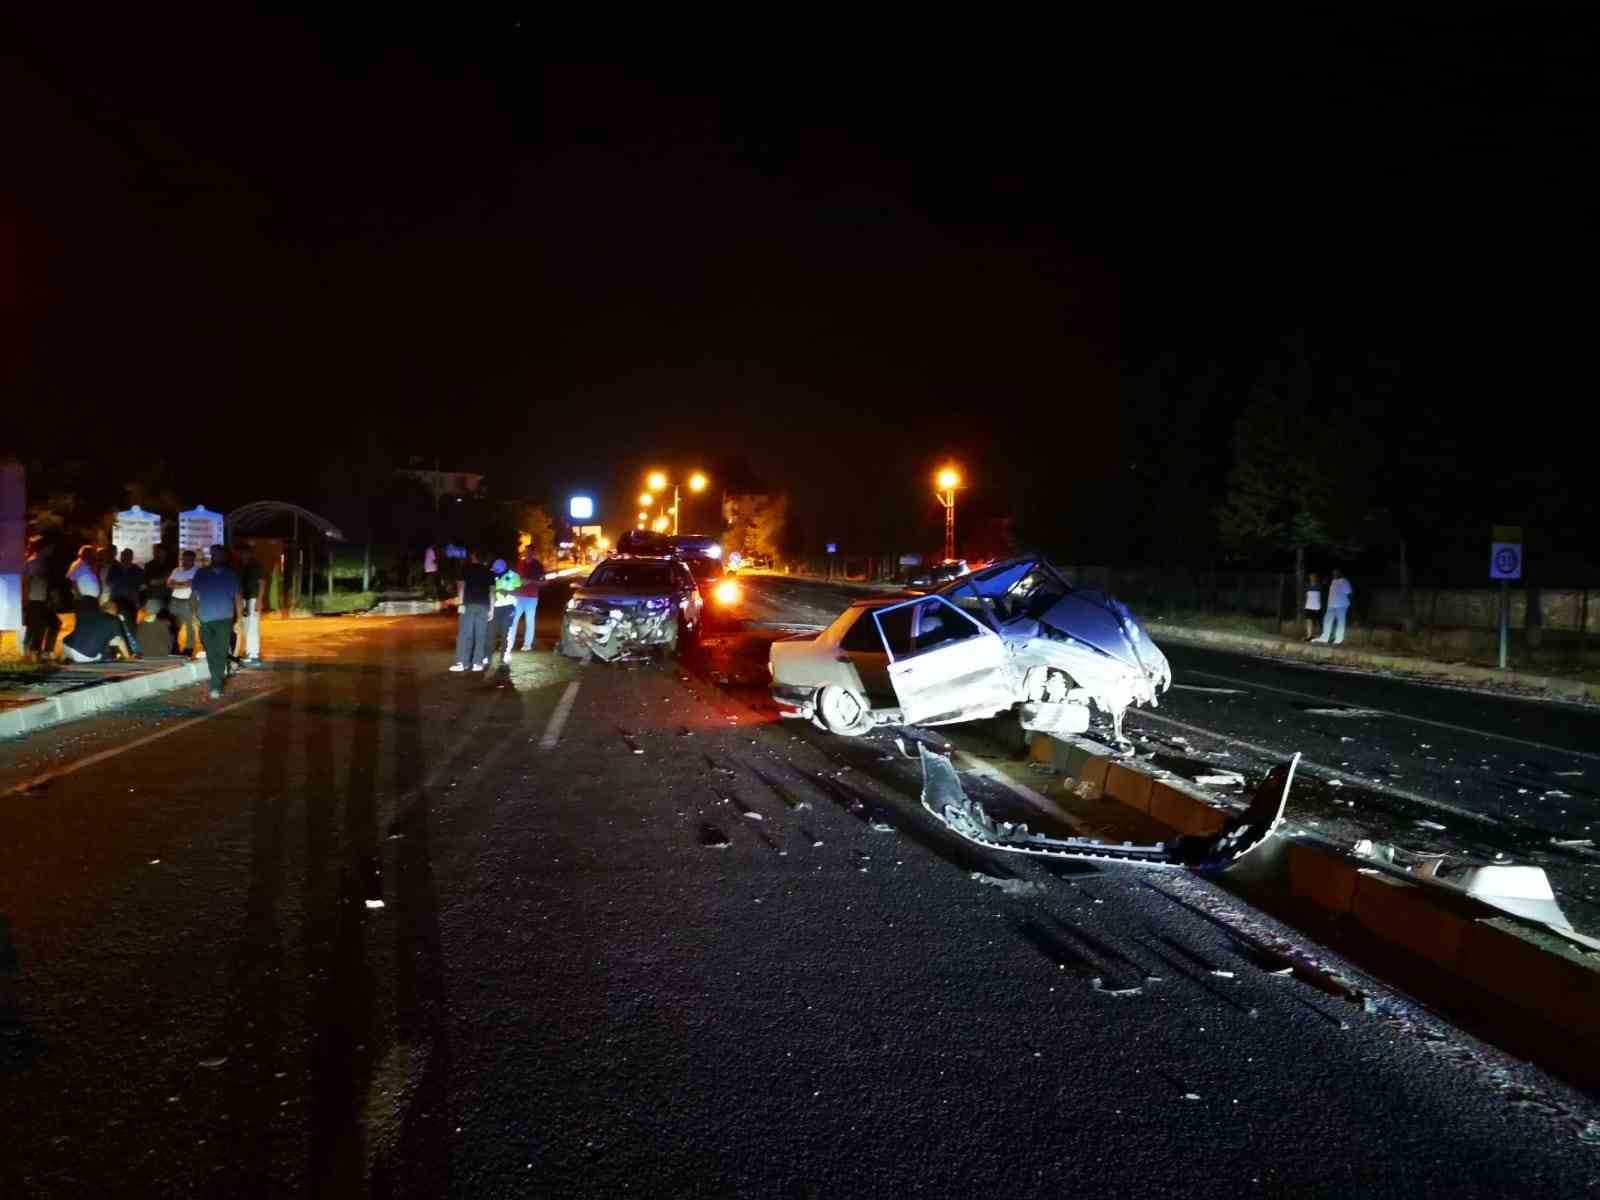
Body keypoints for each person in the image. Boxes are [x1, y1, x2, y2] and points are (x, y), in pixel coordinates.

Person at [191, 544, 242, 699]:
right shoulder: (201, 573)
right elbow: (194, 596)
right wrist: (193, 615)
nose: (217, 557)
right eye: (214, 554)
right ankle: (219, 673)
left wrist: (239, 620)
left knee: (219, 652)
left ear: (224, 557)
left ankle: (215, 684)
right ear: (211, 556)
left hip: (224, 619)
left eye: (220, 555)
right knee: (211, 652)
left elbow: (238, 598)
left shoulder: (231, 575)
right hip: (205, 619)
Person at [451, 550, 493, 672]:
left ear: (473, 557)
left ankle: (462, 663)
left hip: (468, 604)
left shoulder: (465, 569)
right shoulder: (488, 571)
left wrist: (460, 602)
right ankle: (477, 664)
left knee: (465, 634)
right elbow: (492, 591)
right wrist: (492, 610)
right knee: (480, 634)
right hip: (484, 606)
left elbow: (461, 586)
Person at [58, 595, 133, 663]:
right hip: (85, 657)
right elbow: (120, 642)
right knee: (112, 642)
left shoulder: (88, 612)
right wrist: (128, 658)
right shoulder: (113, 620)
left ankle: (60, 662)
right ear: (115, 611)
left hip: (66, 647)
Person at [22, 537, 60, 661]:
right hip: (35, 599)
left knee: (52, 624)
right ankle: (34, 653)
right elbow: (27, 582)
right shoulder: (34, 562)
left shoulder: (42, 561)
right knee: (39, 627)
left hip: (42, 600)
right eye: (51, 547)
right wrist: (26, 600)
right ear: (44, 547)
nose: (52, 550)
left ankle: (44, 651)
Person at [506, 554, 544, 656]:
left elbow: (543, 582)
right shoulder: (520, 564)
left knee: (529, 621)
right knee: (513, 620)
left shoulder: (538, 565)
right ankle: (509, 643)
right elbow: (512, 577)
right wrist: (520, 582)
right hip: (519, 596)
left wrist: (531, 581)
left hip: (532, 597)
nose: (528, 554)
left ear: (533, 552)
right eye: (527, 552)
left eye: (530, 552)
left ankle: (527, 644)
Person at [167, 549, 200, 655]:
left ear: (193, 560)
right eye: (184, 559)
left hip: (189, 600)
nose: (185, 561)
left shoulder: (197, 571)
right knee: (174, 625)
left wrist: (178, 583)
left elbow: (192, 584)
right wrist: (184, 583)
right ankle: (173, 646)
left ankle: (189, 648)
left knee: (190, 625)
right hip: (175, 600)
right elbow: (169, 584)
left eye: (188, 559)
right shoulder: (176, 570)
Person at [490, 557, 521, 664]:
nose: (495, 572)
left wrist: (507, 592)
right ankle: (487, 656)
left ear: (502, 568)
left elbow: (519, 591)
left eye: (496, 570)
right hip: (496, 607)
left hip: (509, 606)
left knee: (506, 631)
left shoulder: (514, 576)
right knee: (491, 632)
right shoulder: (494, 576)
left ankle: (505, 655)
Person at [237, 550, 266, 663]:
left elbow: (262, 583)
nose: (243, 555)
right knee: (245, 627)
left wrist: (259, 599)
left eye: (245, 553)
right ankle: (249, 652)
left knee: (252, 627)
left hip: (253, 599)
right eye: (241, 553)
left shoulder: (256, 566)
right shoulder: (239, 566)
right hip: (242, 599)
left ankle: (254, 655)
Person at [1314, 568, 1354, 645]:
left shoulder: (1344, 581)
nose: (1334, 574)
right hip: (1331, 605)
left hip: (1341, 605)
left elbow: (1349, 593)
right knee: (1327, 621)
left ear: (1340, 573)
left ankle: (1338, 639)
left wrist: (1348, 602)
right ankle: (1324, 638)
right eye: (1333, 572)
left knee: (1340, 622)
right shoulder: (1333, 581)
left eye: (1336, 572)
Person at [66, 544, 102, 620]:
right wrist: (78, 595)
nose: (94, 556)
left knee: (92, 619)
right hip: (84, 600)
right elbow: (72, 580)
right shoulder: (78, 565)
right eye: (92, 554)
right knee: (85, 619)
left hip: (91, 599)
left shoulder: (89, 565)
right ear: (85, 554)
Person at [1302, 572, 1323, 641]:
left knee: (1317, 622)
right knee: (1308, 621)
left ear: (1316, 578)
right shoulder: (1307, 586)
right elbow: (1306, 596)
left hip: (1316, 606)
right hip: (1308, 606)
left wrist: (1319, 606)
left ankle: (1318, 636)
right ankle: (1309, 636)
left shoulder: (1319, 586)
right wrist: (1305, 605)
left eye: (1314, 577)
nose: (1312, 578)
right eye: (1311, 577)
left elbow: (1320, 597)